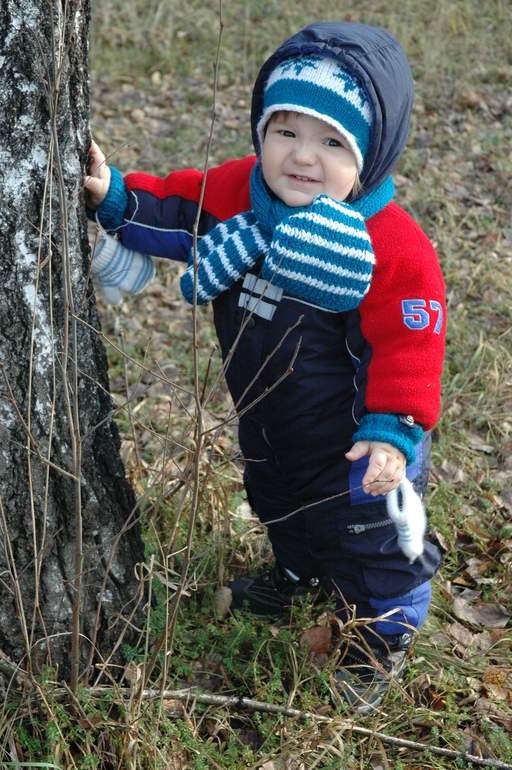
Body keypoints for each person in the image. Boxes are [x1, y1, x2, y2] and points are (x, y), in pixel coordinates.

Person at [84, 21, 446, 715]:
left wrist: (393, 430)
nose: (303, 158)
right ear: (260, 130)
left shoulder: (389, 244)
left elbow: (409, 342)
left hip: (360, 441)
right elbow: (179, 209)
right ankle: (295, 574)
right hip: (272, 418)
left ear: (371, 153)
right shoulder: (241, 192)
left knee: (367, 541)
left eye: (332, 142)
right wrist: (119, 198)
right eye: (285, 131)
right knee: (277, 499)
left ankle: (378, 635)